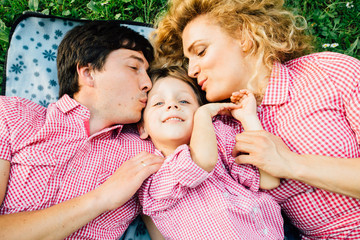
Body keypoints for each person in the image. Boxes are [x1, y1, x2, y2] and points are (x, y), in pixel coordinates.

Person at [152, 0, 360, 239]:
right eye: (188, 61)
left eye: (200, 52)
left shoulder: (329, 73)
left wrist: (290, 163)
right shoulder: (220, 130)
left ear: (244, 36)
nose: (192, 70)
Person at [0, 21, 164, 240]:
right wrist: (102, 198)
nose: (147, 84)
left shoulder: (148, 149)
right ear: (88, 73)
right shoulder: (12, 114)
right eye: (134, 68)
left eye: (148, 74)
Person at [137, 65, 283, 239]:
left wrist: (248, 118)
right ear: (142, 128)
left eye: (184, 101)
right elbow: (202, 162)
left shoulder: (221, 142)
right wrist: (203, 114)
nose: (172, 105)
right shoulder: (153, 175)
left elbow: (269, 180)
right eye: (158, 103)